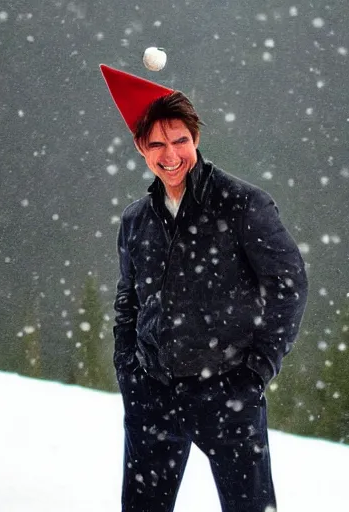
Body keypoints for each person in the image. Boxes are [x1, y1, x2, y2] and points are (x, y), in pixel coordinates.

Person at [99, 64, 308, 512]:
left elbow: (289, 283)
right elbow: (128, 301)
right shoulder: (137, 219)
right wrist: (130, 373)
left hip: (228, 392)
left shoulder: (242, 203)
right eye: (156, 144)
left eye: (180, 141)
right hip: (152, 394)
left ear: (195, 139)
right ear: (140, 148)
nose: (170, 154)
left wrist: (256, 371)